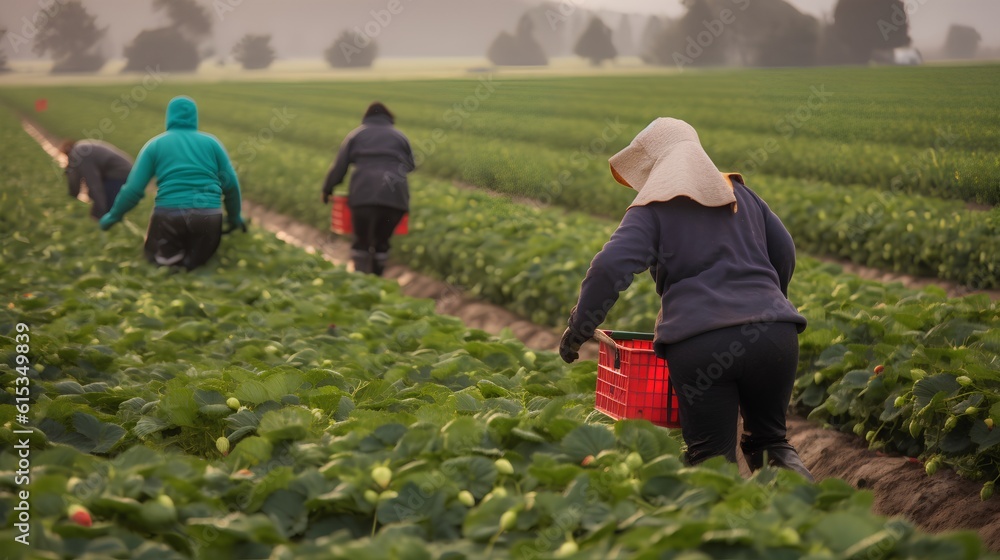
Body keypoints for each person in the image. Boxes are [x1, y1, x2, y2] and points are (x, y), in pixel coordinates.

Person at [559, 118, 814, 482]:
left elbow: (610, 266)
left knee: (712, 461)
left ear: (657, 165)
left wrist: (580, 326)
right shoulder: (741, 195)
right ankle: (814, 515)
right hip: (775, 336)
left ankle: (728, 534)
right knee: (770, 442)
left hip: (701, 342)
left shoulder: (653, 209)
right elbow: (784, 251)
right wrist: (768, 304)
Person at [99, 96, 245, 271]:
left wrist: (114, 216)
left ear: (169, 117)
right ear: (194, 117)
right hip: (208, 217)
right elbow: (231, 185)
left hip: (169, 216)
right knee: (198, 268)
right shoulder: (212, 143)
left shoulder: (155, 145)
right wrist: (235, 215)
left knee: (163, 269)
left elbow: (133, 190)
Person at [322, 101, 415, 276]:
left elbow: (339, 167)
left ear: (367, 117)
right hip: (395, 198)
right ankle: (377, 280)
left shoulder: (356, 136)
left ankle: (361, 282)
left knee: (362, 242)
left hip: (364, 196)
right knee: (382, 243)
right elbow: (411, 165)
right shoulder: (400, 137)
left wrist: (327, 189)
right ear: (389, 118)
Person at [60, 139, 133, 220]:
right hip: (120, 170)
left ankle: (105, 223)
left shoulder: (79, 154)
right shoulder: (80, 148)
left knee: (108, 209)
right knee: (105, 206)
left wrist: (99, 211)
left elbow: (93, 184)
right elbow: (76, 178)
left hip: (119, 173)